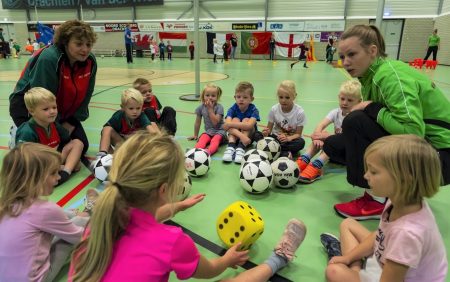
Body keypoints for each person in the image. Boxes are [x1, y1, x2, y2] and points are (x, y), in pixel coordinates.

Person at [69, 132, 250, 281]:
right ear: (164, 190)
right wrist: (227, 260)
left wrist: (178, 206)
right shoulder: (172, 241)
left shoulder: (100, 220)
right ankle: (275, 261)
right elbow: (210, 270)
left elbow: (140, 221)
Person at [323, 24, 450, 220]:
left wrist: (373, 108)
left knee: (355, 121)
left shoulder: (389, 76)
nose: (345, 62)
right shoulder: (370, 76)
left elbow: (413, 132)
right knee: (334, 145)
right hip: (424, 148)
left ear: (372, 51)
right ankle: (395, 188)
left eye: (352, 54)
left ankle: (377, 200)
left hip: (438, 158)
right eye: (342, 57)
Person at [323, 135, 448, 282]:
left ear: (404, 179)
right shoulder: (400, 200)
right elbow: (380, 234)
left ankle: (355, 268)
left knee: (333, 271)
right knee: (347, 224)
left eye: (374, 172)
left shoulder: (407, 233)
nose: (366, 175)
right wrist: (347, 258)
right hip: (387, 261)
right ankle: (354, 266)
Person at [0, 143, 96, 282]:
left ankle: (82, 213)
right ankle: (92, 213)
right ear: (33, 178)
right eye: (53, 173)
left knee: (61, 217)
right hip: (36, 279)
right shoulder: (46, 210)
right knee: (77, 224)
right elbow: (80, 238)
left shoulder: (6, 203)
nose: (58, 177)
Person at [9, 20, 97, 168]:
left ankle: (55, 162)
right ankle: (17, 132)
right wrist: (61, 130)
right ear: (65, 42)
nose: (85, 49)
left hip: (61, 111)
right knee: (36, 157)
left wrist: (71, 122)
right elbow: (41, 100)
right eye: (79, 44)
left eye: (88, 44)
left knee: (82, 146)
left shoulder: (90, 62)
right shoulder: (49, 59)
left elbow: (86, 95)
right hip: (32, 109)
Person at [15, 87, 84, 185]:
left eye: (54, 107)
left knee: (77, 143)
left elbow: (68, 142)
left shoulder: (53, 125)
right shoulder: (27, 131)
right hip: (37, 166)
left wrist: (67, 161)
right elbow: (24, 162)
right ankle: (56, 173)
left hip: (52, 161)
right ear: (31, 111)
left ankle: (65, 174)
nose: (52, 111)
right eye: (46, 109)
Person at [297, 80, 362, 183]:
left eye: (350, 100)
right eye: (342, 99)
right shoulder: (336, 112)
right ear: (339, 97)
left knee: (329, 139)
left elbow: (349, 138)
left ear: (359, 101)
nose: (345, 103)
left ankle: (317, 167)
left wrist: (327, 137)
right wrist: (318, 137)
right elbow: (321, 125)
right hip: (335, 152)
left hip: (349, 156)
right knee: (321, 138)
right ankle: (304, 159)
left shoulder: (358, 117)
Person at [96, 88, 159, 158]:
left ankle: (160, 151)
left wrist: (159, 141)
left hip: (136, 147)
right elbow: (105, 132)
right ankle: (103, 156)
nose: (135, 111)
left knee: (153, 125)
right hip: (122, 145)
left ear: (142, 106)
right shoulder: (118, 116)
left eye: (138, 108)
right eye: (131, 108)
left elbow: (152, 131)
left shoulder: (142, 116)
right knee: (107, 129)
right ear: (123, 107)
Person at [262, 80, 306, 159]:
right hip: (276, 138)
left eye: (287, 97)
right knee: (258, 135)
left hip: (291, 140)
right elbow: (269, 129)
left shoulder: (299, 112)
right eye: (281, 97)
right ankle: (284, 152)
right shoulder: (274, 109)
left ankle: (276, 150)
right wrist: (266, 132)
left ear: (294, 96)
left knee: (301, 143)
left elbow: (298, 134)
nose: (283, 100)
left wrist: (288, 138)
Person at [222, 81, 262, 164]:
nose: (241, 99)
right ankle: (231, 147)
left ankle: (241, 148)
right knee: (235, 119)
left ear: (251, 99)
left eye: (245, 97)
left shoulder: (254, 110)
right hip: (239, 137)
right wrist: (241, 136)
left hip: (248, 138)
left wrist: (229, 124)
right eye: (238, 96)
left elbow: (249, 126)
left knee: (245, 121)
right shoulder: (232, 109)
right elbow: (226, 126)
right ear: (235, 97)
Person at [188, 83, 227, 156]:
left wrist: (210, 109)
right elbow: (197, 122)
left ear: (217, 97)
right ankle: (195, 152)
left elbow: (215, 122)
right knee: (202, 139)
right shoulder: (200, 108)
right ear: (203, 96)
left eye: (213, 96)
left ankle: (207, 152)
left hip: (220, 131)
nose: (210, 98)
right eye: (207, 95)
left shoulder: (219, 107)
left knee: (215, 140)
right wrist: (195, 135)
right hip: (209, 131)